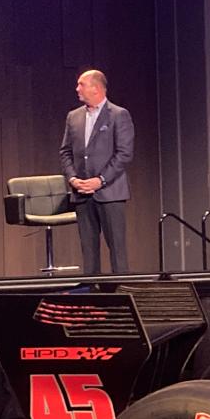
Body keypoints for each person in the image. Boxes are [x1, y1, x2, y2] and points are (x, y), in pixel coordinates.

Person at [59, 69, 134, 274]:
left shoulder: (119, 115)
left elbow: (124, 154)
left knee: (117, 249)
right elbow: (65, 151)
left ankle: (121, 294)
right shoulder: (73, 117)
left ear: (96, 88)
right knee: (88, 250)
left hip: (110, 193)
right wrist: (73, 178)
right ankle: (92, 295)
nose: (77, 89)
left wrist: (100, 180)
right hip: (82, 193)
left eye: (81, 84)